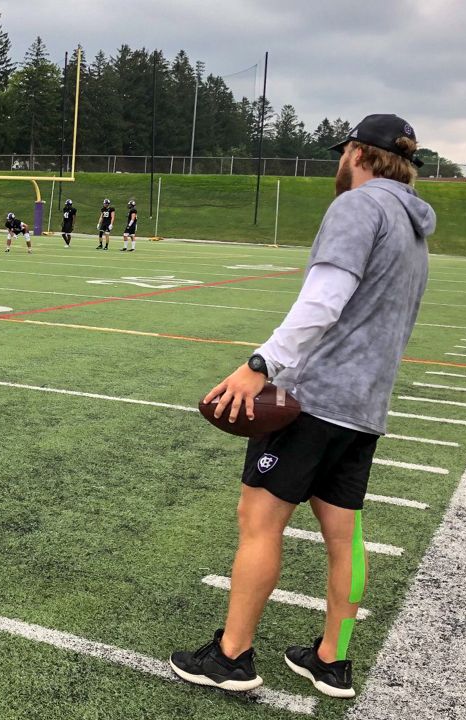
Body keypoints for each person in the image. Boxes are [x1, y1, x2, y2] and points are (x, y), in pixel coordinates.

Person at [169, 114, 434, 700]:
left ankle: (232, 656)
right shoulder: (414, 228)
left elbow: (325, 299)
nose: (339, 163)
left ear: (360, 154)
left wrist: (259, 364)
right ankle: (331, 661)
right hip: (366, 405)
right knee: (346, 535)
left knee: (260, 523)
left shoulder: (359, 207)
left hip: (315, 401)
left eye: (344, 153)